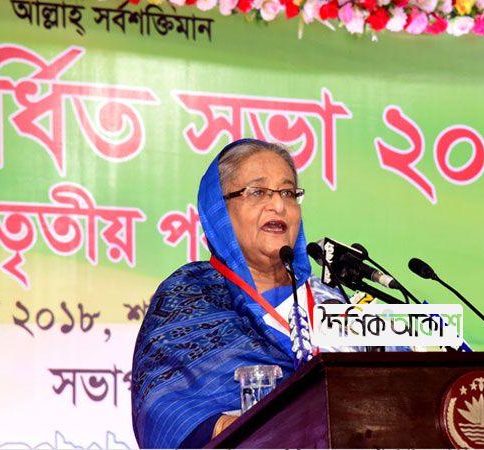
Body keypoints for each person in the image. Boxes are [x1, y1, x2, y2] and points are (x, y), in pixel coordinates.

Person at [131, 138, 345, 448]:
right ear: (220, 209)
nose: (278, 205)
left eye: (288, 192)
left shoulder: (331, 300)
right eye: (258, 192)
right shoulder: (190, 293)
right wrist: (240, 428)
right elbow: (161, 405)